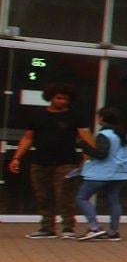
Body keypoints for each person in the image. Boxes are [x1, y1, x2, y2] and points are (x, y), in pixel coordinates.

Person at [11, 87, 83, 238]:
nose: (62, 101)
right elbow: (28, 137)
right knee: (43, 195)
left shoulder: (75, 116)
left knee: (64, 195)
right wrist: (17, 157)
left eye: (65, 99)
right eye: (59, 98)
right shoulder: (38, 115)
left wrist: (86, 157)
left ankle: (68, 227)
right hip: (40, 160)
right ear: (50, 97)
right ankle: (47, 227)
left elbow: (84, 137)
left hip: (67, 161)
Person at [71, 106, 127, 241]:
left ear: (102, 119)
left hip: (102, 173)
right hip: (121, 173)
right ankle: (113, 232)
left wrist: (83, 144)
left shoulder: (104, 135)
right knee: (114, 201)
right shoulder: (126, 136)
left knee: (82, 198)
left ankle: (95, 228)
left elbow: (100, 154)